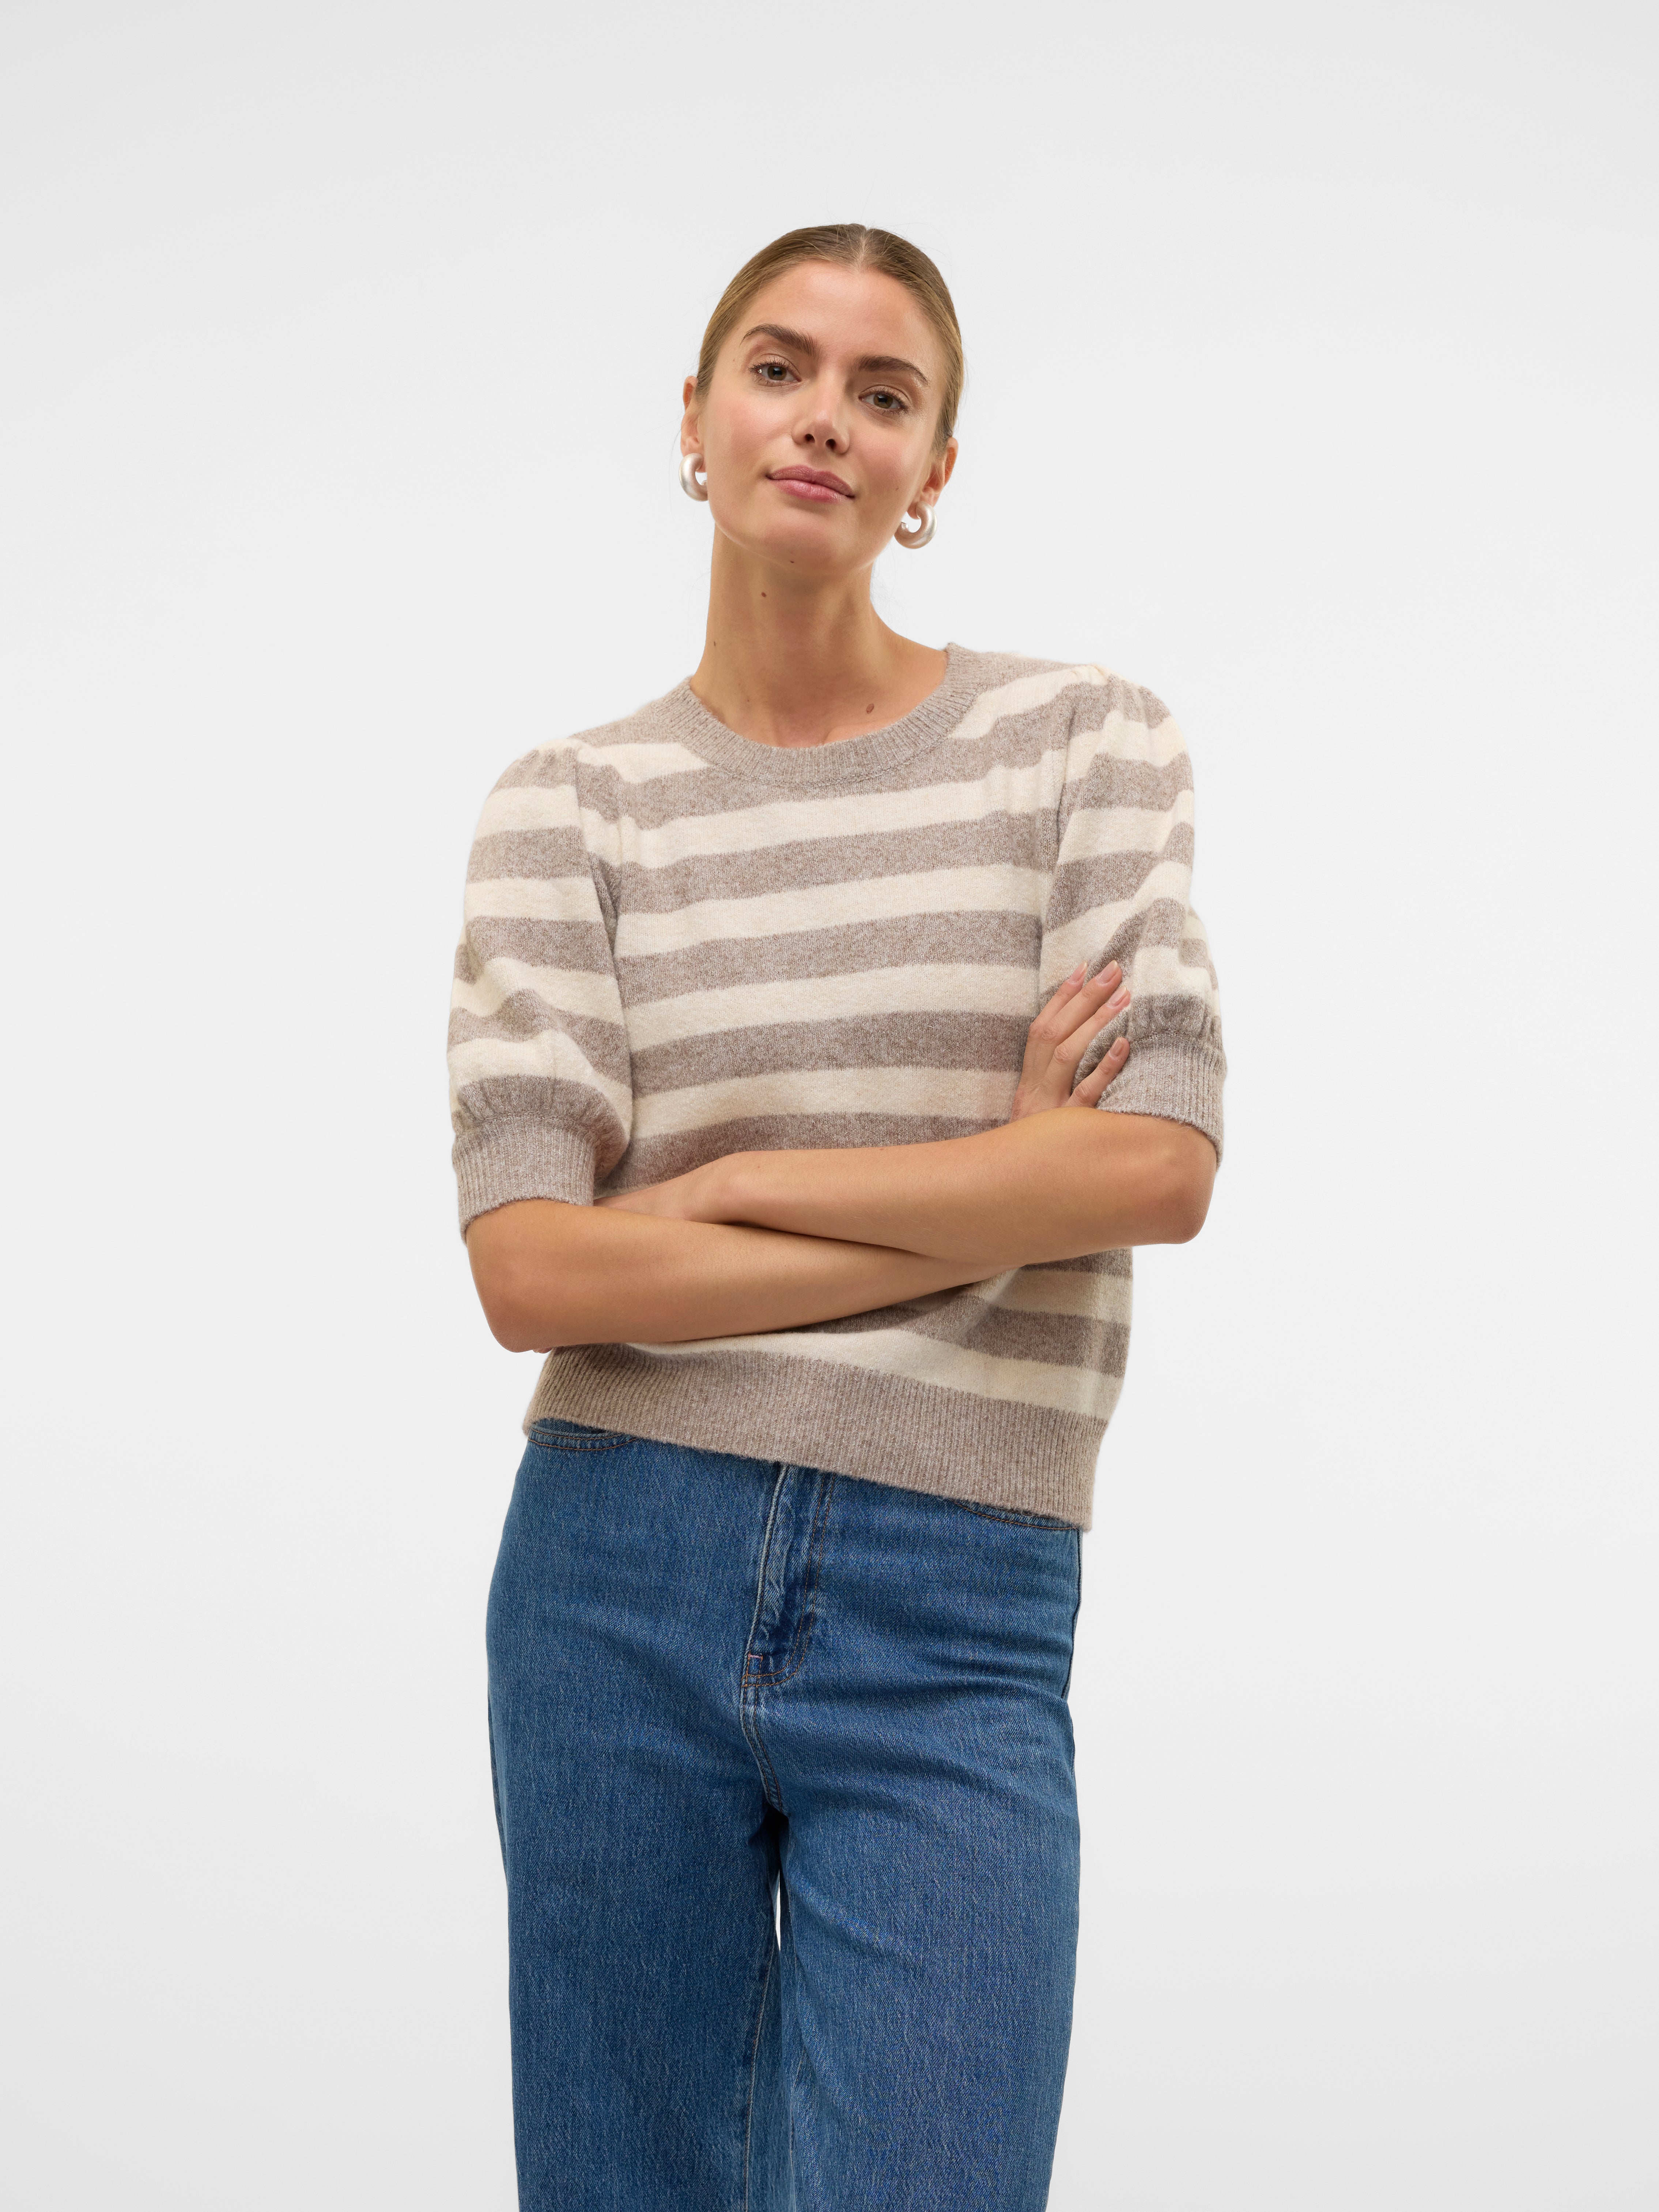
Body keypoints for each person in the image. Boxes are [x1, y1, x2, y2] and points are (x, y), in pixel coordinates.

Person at [447, 222, 1225, 2212]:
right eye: (780, 369)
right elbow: (533, 1268)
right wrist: (992, 1192)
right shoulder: (569, 806)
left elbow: (1154, 1166)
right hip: (615, 1569)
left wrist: (729, 1189)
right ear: (695, 418)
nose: (824, 420)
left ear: (933, 470)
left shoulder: (1083, 742)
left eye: (885, 394)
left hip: (959, 1597)